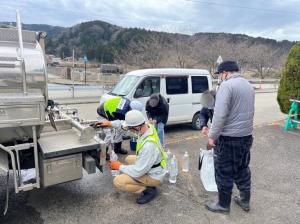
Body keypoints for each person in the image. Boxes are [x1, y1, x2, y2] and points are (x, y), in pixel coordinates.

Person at [205, 60, 255, 213]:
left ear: (225, 73)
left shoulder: (226, 86)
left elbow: (220, 116)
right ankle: (245, 200)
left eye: (219, 74)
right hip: (246, 137)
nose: (220, 77)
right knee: (242, 168)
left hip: (229, 139)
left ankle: (223, 205)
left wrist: (212, 137)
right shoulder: (248, 85)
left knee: (224, 171)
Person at [106, 110, 167, 204]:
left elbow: (138, 171)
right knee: (129, 159)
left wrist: (119, 166)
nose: (129, 130)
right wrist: (109, 123)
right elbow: (123, 126)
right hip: (155, 166)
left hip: (155, 176)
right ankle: (145, 183)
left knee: (118, 181)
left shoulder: (148, 146)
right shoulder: (147, 127)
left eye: (131, 128)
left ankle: (148, 190)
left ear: (137, 127)